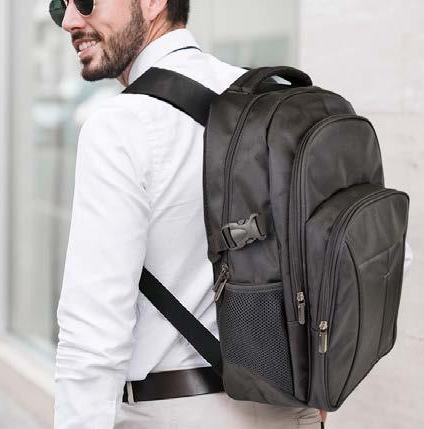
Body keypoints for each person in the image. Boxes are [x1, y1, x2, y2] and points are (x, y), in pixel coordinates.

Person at [51, 0, 324, 428]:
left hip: (171, 413)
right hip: (292, 411)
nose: (69, 20)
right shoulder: (277, 104)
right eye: (58, 5)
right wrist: (322, 377)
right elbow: (372, 255)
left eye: (85, 2)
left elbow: (93, 334)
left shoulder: (119, 126)